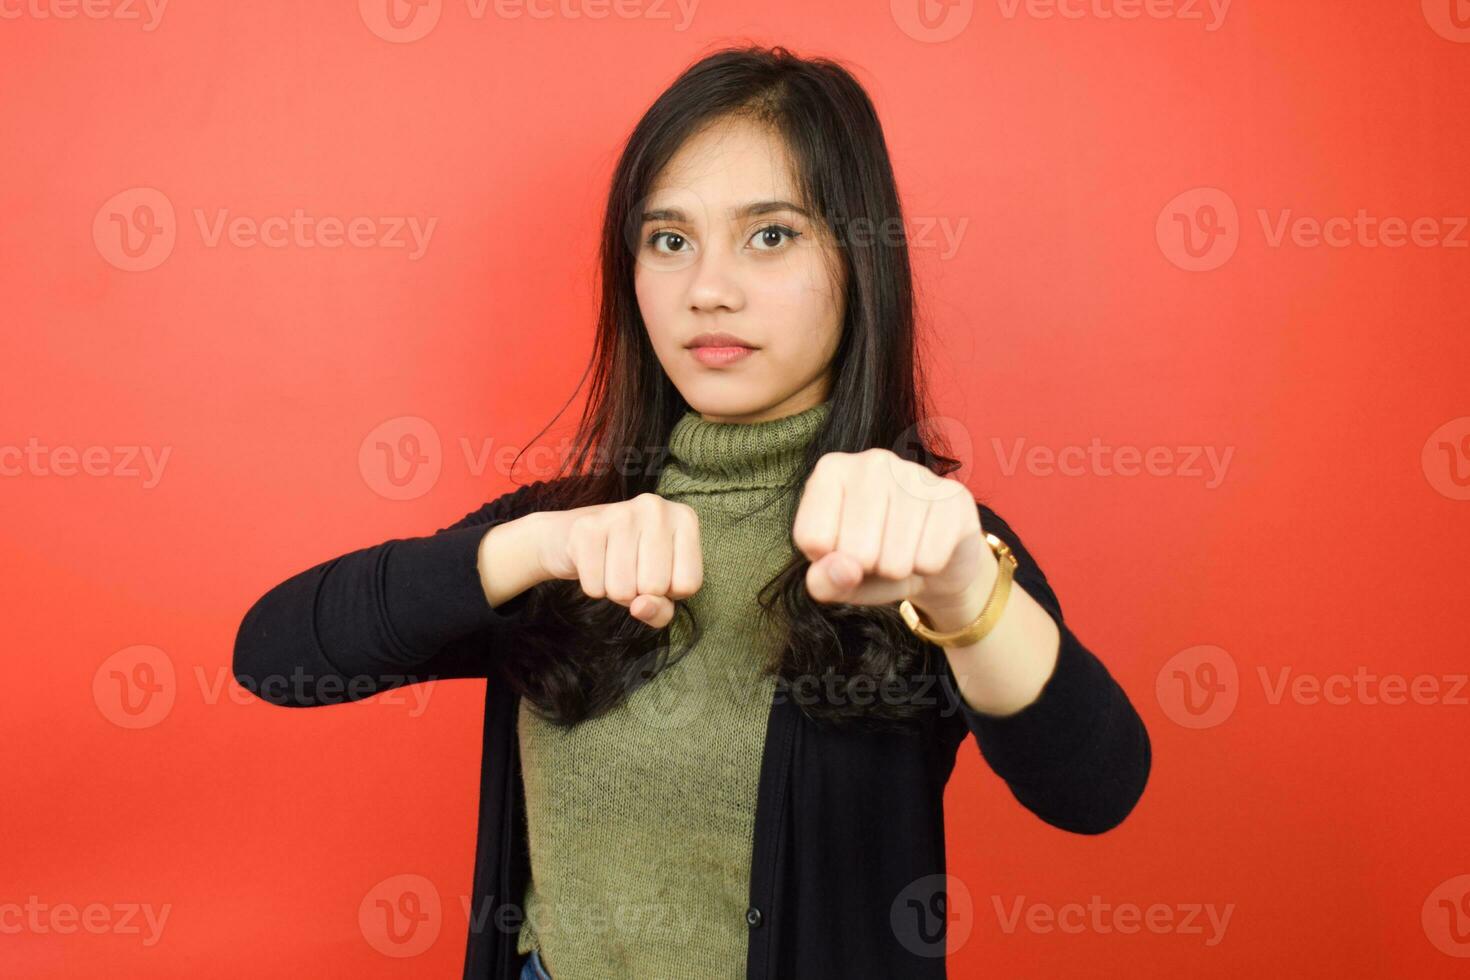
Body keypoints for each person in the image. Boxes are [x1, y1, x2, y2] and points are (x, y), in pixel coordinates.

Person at [234, 44, 1151, 980]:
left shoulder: (917, 537)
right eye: (669, 240)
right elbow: (275, 655)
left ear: (858, 261)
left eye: (771, 234)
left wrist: (961, 591)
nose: (707, 288)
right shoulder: (569, 536)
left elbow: (1097, 787)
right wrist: (531, 546)